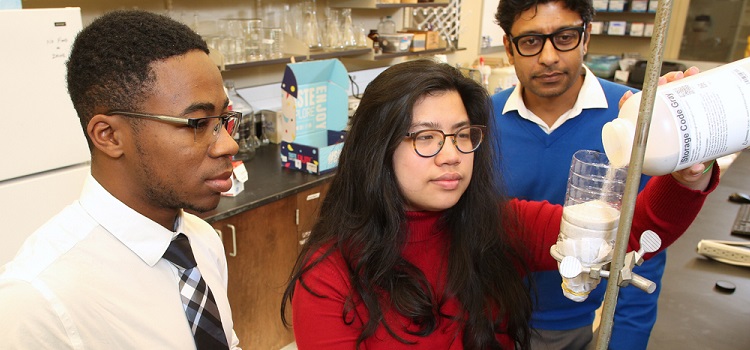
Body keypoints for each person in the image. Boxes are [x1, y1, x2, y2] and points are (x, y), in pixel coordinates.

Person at [281, 59, 718, 349]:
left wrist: (685, 170)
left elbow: (631, 233)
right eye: (426, 137)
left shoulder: (498, 223)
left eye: (462, 134)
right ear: (378, 148)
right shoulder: (330, 275)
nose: (452, 154)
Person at [0, 10, 242, 349]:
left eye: (224, 119)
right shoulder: (38, 300)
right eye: (198, 123)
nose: (228, 143)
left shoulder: (200, 240)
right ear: (109, 136)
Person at [491, 1, 695, 348]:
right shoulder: (479, 120)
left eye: (565, 37)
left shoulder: (632, 116)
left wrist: (623, 342)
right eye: (530, 42)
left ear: (586, 38)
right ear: (509, 48)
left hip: (577, 326)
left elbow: (643, 250)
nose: (549, 57)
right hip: (484, 319)